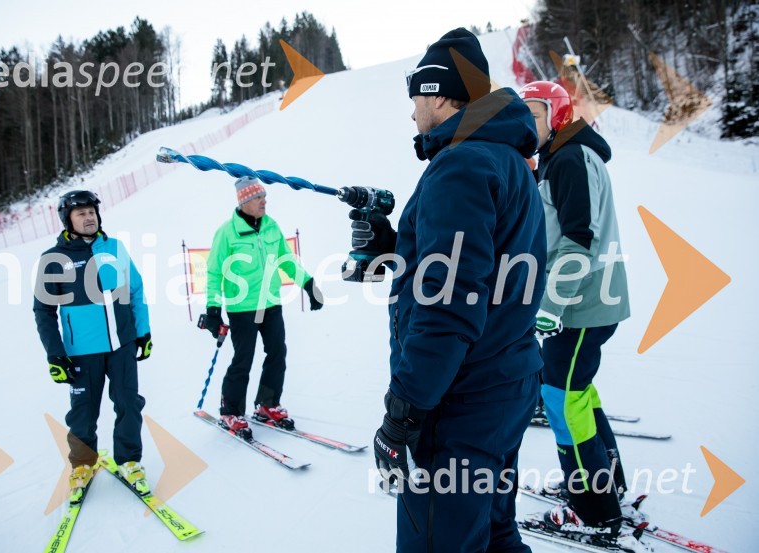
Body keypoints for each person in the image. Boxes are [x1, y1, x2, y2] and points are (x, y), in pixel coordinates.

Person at [366, 28, 546, 552]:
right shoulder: (507, 159)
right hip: (503, 385)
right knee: (491, 532)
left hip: (460, 401)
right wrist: (397, 245)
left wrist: (404, 412)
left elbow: (448, 303)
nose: (412, 111)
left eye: (417, 96)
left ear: (441, 95)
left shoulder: (461, 165)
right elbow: (480, 272)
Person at [519, 81, 638, 548]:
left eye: (534, 113)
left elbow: (578, 239)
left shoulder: (568, 158)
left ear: (558, 116)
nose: (527, 122)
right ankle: (607, 483)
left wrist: (551, 304)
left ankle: (591, 507)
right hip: (590, 301)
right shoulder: (563, 157)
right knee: (579, 392)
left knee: (561, 399)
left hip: (581, 303)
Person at [33, 190, 153, 502]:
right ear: (67, 220)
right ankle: (82, 466)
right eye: (80, 213)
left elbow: (135, 289)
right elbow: (44, 310)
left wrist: (143, 331)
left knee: (129, 403)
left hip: (122, 344)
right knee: (83, 412)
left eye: (91, 212)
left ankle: (129, 461)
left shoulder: (114, 247)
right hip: (81, 351)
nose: (88, 217)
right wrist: (54, 353)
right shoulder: (53, 259)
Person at [198, 176, 323, 438]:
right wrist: (213, 309)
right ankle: (230, 411)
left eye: (264, 197)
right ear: (244, 201)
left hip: (270, 304)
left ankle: (267, 404)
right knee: (243, 360)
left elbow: (286, 260)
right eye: (258, 198)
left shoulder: (271, 227)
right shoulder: (227, 233)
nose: (264, 201)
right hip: (242, 307)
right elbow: (213, 273)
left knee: (277, 353)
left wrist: (308, 283)